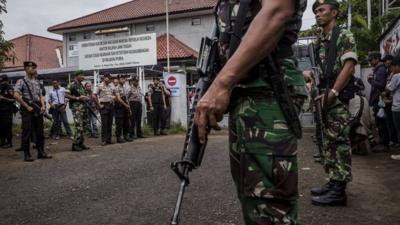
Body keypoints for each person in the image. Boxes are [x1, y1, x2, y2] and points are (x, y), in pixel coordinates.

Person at [194, 0, 306, 223]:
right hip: (246, 93)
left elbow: (276, 12)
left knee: (269, 206)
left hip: (267, 89)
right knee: (253, 198)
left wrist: (221, 84)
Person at [303, 0, 358, 206]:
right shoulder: (319, 41)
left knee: (339, 142)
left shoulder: (344, 35)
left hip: (337, 96)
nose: (317, 14)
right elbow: (317, 70)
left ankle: (339, 190)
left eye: (321, 10)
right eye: (316, 11)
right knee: (327, 141)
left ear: (334, 13)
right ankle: (334, 180)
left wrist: (334, 92)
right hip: (322, 95)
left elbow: (349, 66)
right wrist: (309, 78)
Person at [13, 61, 52, 162]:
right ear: (25, 69)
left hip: (38, 108)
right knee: (27, 131)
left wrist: (43, 106)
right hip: (27, 109)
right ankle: (27, 154)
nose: (32, 68)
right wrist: (26, 106)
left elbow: (41, 95)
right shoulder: (21, 81)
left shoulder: (37, 82)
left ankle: (41, 152)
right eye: (30, 67)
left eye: (34, 67)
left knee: (40, 131)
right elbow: (16, 95)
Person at [368, 52, 391, 152]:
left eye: (370, 60)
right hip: (377, 100)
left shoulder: (381, 70)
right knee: (379, 122)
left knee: (381, 122)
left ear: (377, 59)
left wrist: (371, 81)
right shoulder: (378, 69)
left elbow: (381, 85)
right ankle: (382, 142)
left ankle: (384, 144)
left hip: (380, 101)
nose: (369, 62)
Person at [66, 70, 90, 151]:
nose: (83, 76)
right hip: (76, 108)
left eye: (83, 75)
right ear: (76, 76)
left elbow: (84, 95)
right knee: (79, 126)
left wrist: (86, 98)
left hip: (83, 108)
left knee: (84, 125)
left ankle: (81, 143)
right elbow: (66, 95)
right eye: (81, 75)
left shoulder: (82, 85)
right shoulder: (72, 85)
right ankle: (75, 144)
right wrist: (77, 98)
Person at [95, 73, 116, 146]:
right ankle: (104, 140)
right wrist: (98, 105)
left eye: (110, 78)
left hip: (111, 105)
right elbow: (95, 95)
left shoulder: (112, 85)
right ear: (104, 78)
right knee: (104, 124)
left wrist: (114, 97)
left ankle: (109, 139)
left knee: (110, 123)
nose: (109, 79)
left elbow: (114, 94)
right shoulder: (100, 86)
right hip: (104, 105)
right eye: (108, 78)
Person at [386, 56, 400, 160]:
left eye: (393, 67)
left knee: (399, 130)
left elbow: (389, 87)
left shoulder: (396, 76)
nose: (392, 69)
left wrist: (390, 78)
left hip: (397, 107)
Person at [114, 75, 133, 143]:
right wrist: (125, 105)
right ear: (118, 80)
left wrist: (129, 108)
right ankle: (118, 137)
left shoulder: (124, 88)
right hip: (119, 107)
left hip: (125, 106)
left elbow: (126, 99)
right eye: (122, 79)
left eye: (124, 79)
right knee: (119, 123)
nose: (123, 80)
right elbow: (119, 99)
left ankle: (126, 136)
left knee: (126, 122)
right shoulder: (116, 88)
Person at [0, 74, 16, 148]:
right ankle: (2, 142)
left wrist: (4, 98)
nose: (1, 83)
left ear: (6, 81)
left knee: (7, 127)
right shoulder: (0, 87)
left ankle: (9, 142)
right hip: (1, 111)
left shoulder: (10, 88)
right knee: (1, 127)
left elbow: (13, 100)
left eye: (3, 81)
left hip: (7, 111)